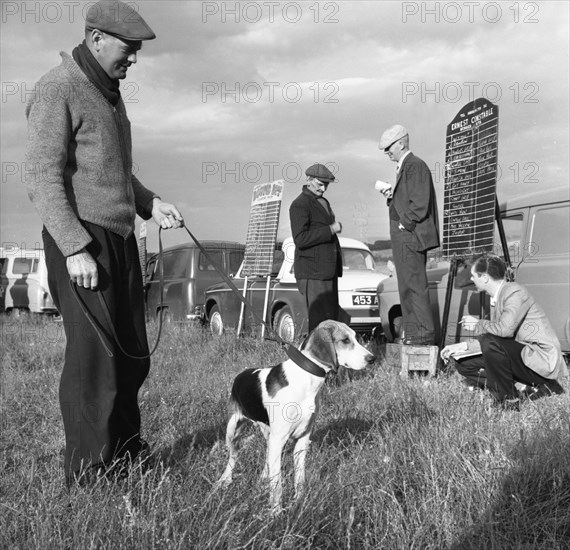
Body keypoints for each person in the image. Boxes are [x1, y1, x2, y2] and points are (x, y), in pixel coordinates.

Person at [24, 0, 183, 485]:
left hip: (120, 237)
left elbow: (114, 171)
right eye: (128, 49)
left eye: (136, 51)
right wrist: (74, 247)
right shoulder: (58, 88)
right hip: (83, 238)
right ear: (96, 39)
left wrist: (150, 204)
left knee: (133, 353)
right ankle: (89, 471)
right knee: (95, 359)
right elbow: (42, 176)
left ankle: (126, 452)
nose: (133, 58)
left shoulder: (110, 93)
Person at [441, 255, 568, 410]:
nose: (472, 280)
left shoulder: (514, 292)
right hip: (521, 355)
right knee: (464, 365)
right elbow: (496, 339)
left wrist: (477, 324)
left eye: (474, 276)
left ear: (485, 277)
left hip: (539, 359)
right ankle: (523, 386)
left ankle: (508, 400)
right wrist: (463, 347)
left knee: (489, 342)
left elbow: (504, 331)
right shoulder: (499, 296)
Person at [377, 124, 440, 345]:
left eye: (389, 148)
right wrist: (391, 198)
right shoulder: (407, 167)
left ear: (401, 143)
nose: (387, 152)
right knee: (406, 288)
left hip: (410, 238)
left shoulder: (415, 165)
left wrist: (405, 224)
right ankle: (414, 336)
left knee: (414, 288)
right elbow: (410, 200)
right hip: (405, 238)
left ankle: (422, 338)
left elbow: (420, 204)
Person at [289, 163, 343, 333]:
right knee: (320, 324)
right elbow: (301, 239)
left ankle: (328, 357)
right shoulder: (299, 204)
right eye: (320, 184)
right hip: (313, 273)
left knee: (330, 322)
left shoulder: (322, 201)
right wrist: (330, 230)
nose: (324, 188)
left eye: (326, 185)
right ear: (309, 179)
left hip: (327, 272)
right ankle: (315, 357)